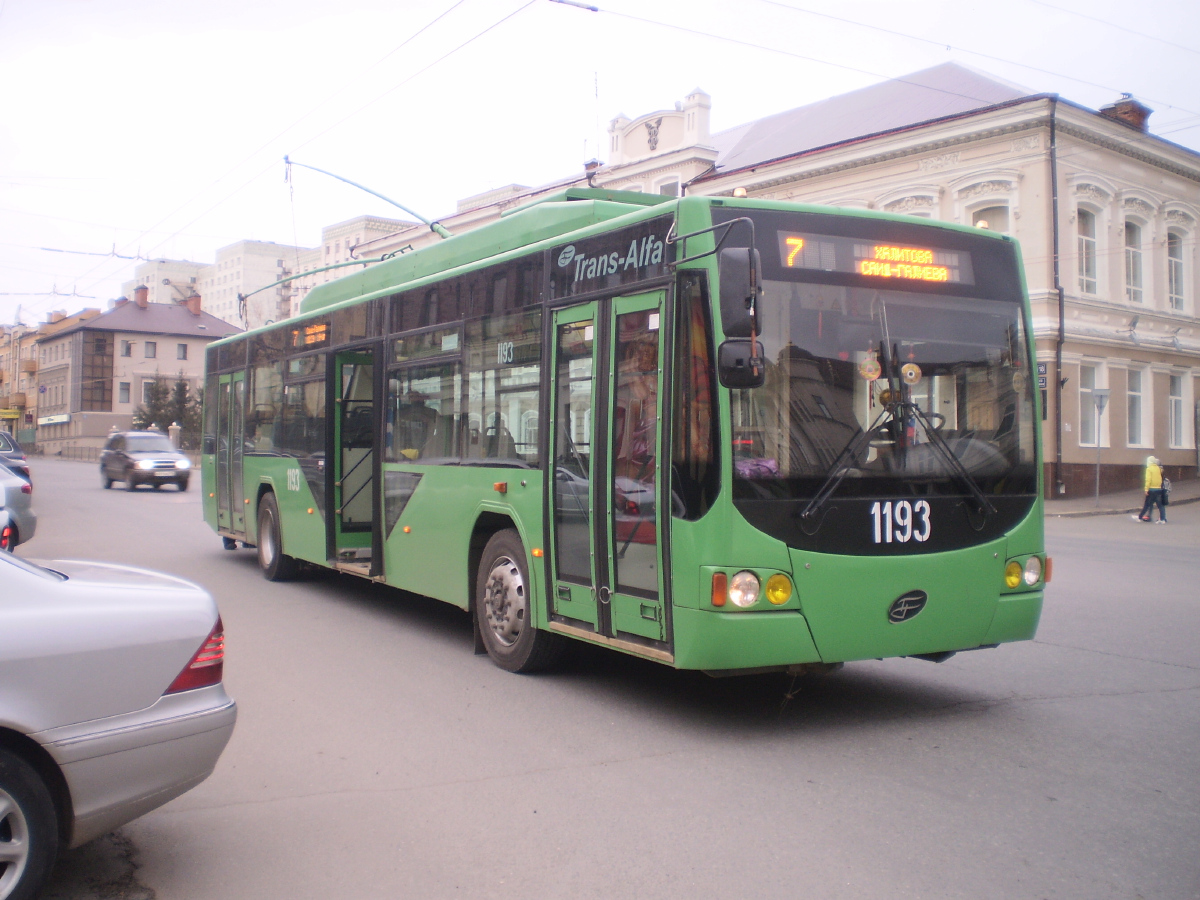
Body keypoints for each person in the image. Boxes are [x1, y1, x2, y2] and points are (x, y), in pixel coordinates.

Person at [1137, 455, 1167, 523]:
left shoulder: (1149, 469)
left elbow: (1148, 480)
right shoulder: (1159, 469)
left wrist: (1146, 489)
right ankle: (1162, 519)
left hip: (1151, 489)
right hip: (1159, 489)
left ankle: (1140, 517)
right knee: (1160, 505)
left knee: (1147, 504)